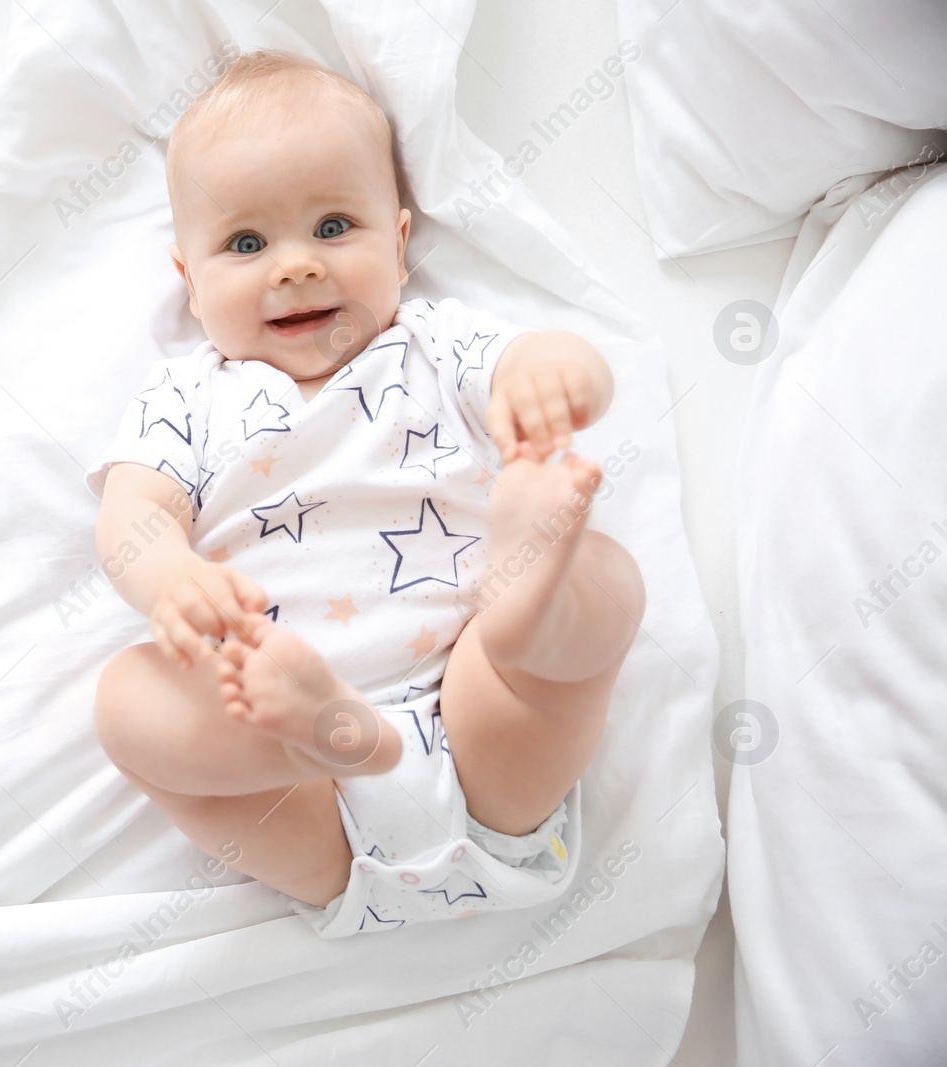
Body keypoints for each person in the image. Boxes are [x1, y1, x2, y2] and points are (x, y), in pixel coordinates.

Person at [84, 50, 646, 936]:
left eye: (335, 225)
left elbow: (543, 357)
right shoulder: (187, 397)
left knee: (603, 584)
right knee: (128, 702)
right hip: (305, 787)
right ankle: (340, 730)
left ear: (400, 241)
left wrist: (563, 381)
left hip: (476, 715)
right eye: (246, 243)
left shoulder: (432, 343)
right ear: (188, 283)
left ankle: (525, 603)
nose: (296, 266)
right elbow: (132, 515)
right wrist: (168, 578)